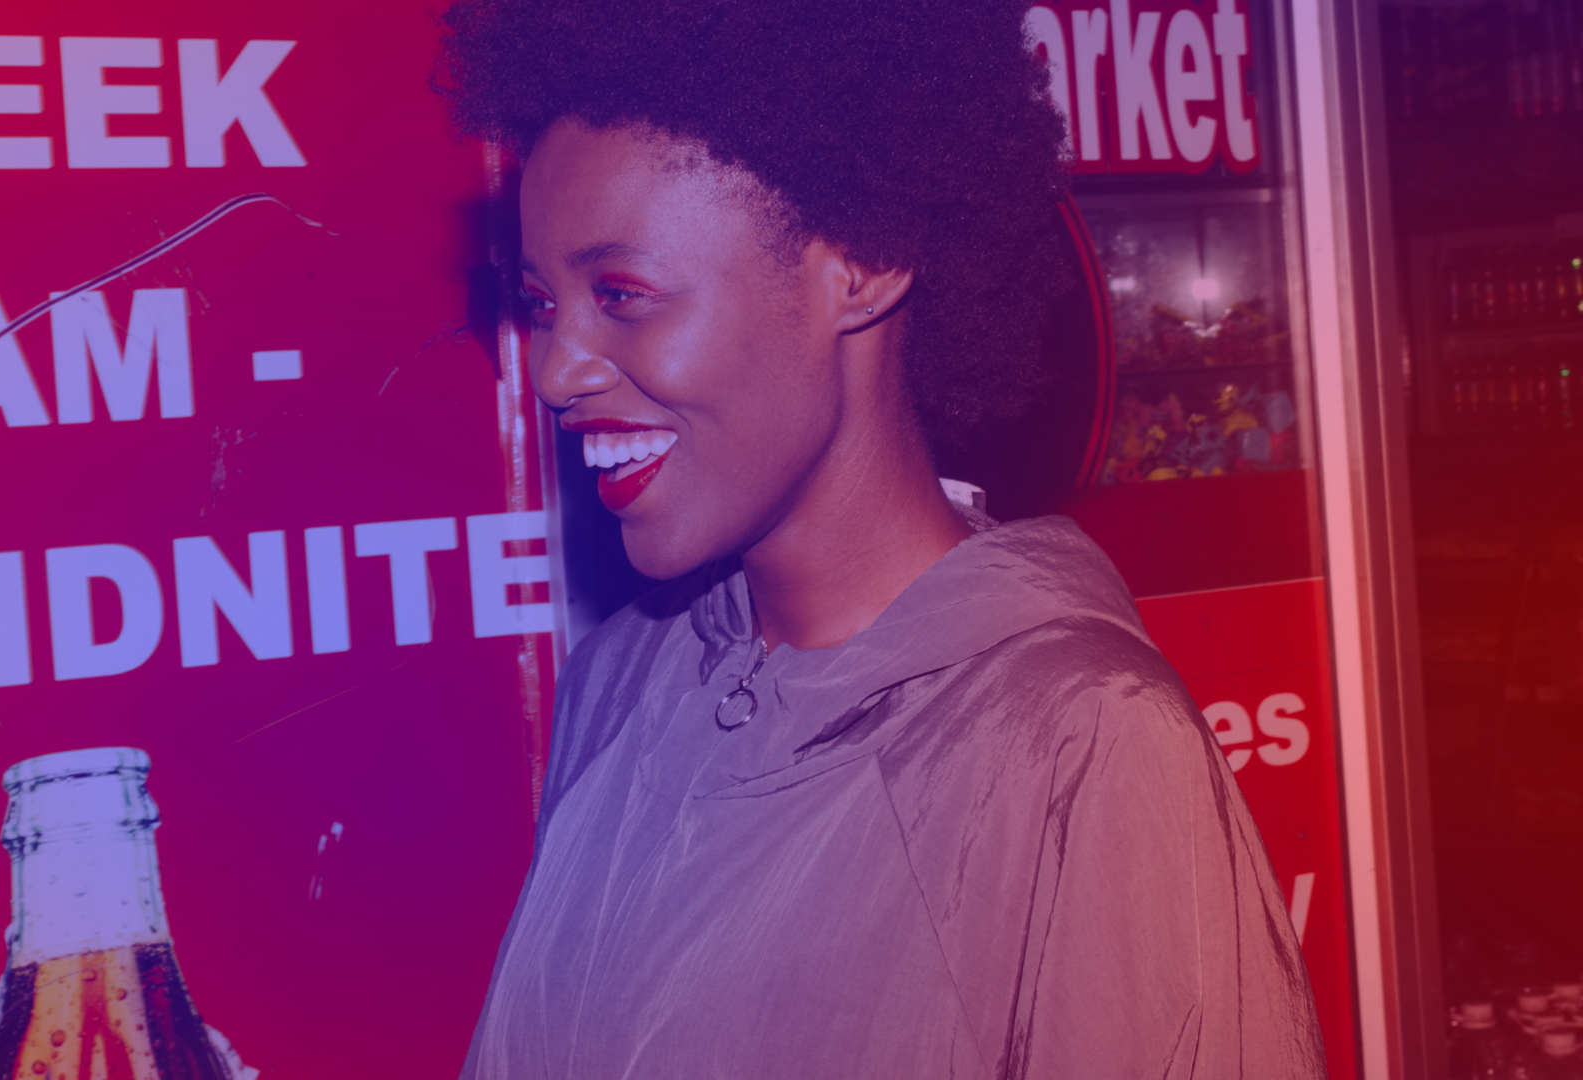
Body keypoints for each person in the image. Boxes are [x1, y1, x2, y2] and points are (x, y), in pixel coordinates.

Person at [437, 0, 1327, 1076]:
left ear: (862, 264)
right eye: (541, 304)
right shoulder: (617, 686)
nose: (554, 371)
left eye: (622, 294)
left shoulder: (1080, 742)